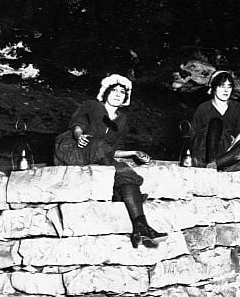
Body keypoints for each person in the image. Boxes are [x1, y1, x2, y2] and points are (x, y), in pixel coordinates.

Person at [53, 74, 166, 248]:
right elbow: (78, 124)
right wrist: (79, 135)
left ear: (125, 98)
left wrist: (133, 153)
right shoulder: (93, 106)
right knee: (103, 150)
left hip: (100, 155)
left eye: (122, 92)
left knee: (123, 174)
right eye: (114, 90)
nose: (118, 94)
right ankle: (122, 195)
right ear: (105, 92)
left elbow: (111, 151)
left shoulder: (122, 120)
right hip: (74, 150)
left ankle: (140, 225)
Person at [189, 70, 240, 171]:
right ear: (214, 88)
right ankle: (212, 162)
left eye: (229, 86)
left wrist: (230, 151)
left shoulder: (237, 107)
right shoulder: (203, 108)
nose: (226, 90)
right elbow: (194, 136)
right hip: (206, 151)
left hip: (229, 152)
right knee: (216, 123)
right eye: (222, 86)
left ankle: (216, 164)